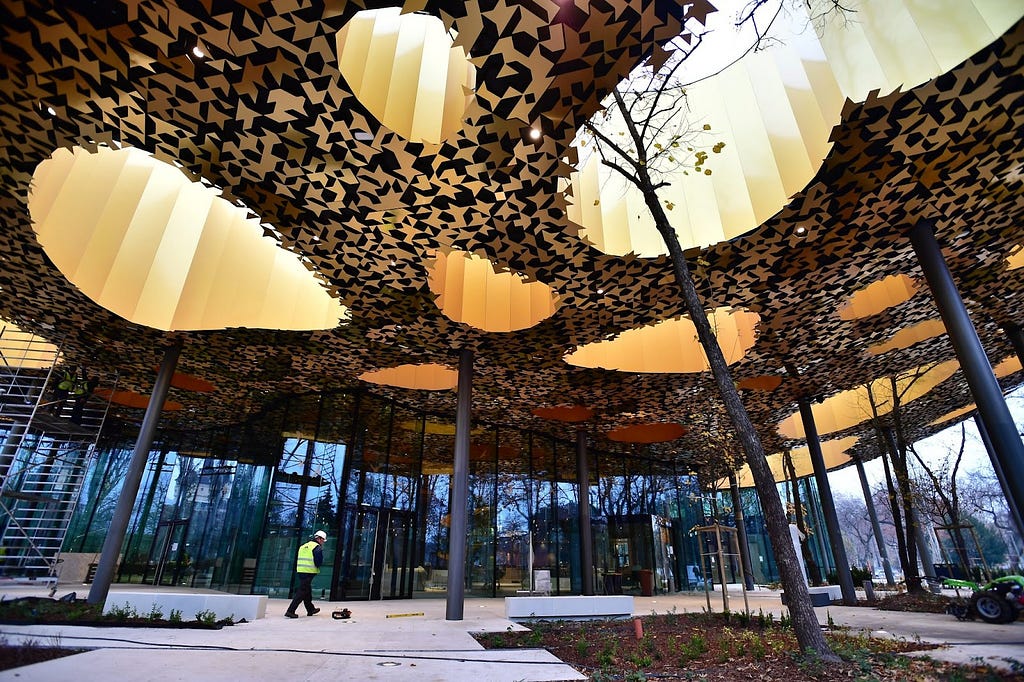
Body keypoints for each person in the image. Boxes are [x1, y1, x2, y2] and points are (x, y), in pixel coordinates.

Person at [284, 530, 326, 618]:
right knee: (302, 591)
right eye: (323, 540)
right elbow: (318, 561)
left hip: (301, 570)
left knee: (307, 590)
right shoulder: (317, 547)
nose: (323, 542)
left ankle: (310, 609)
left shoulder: (304, 546)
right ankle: (290, 611)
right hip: (309, 571)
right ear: (319, 538)